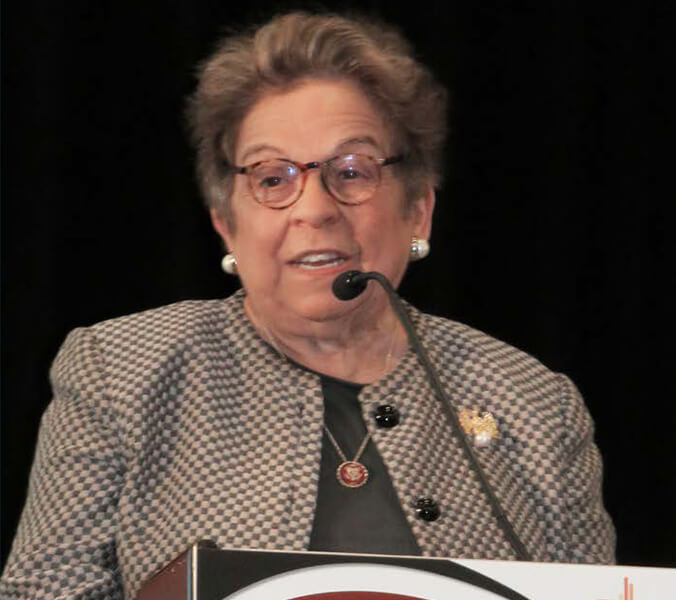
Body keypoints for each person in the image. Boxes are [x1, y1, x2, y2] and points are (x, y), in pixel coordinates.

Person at [1, 11, 615, 599]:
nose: (314, 208)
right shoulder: (123, 371)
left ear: (418, 210)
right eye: (273, 178)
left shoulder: (533, 404)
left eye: (352, 170)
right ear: (225, 224)